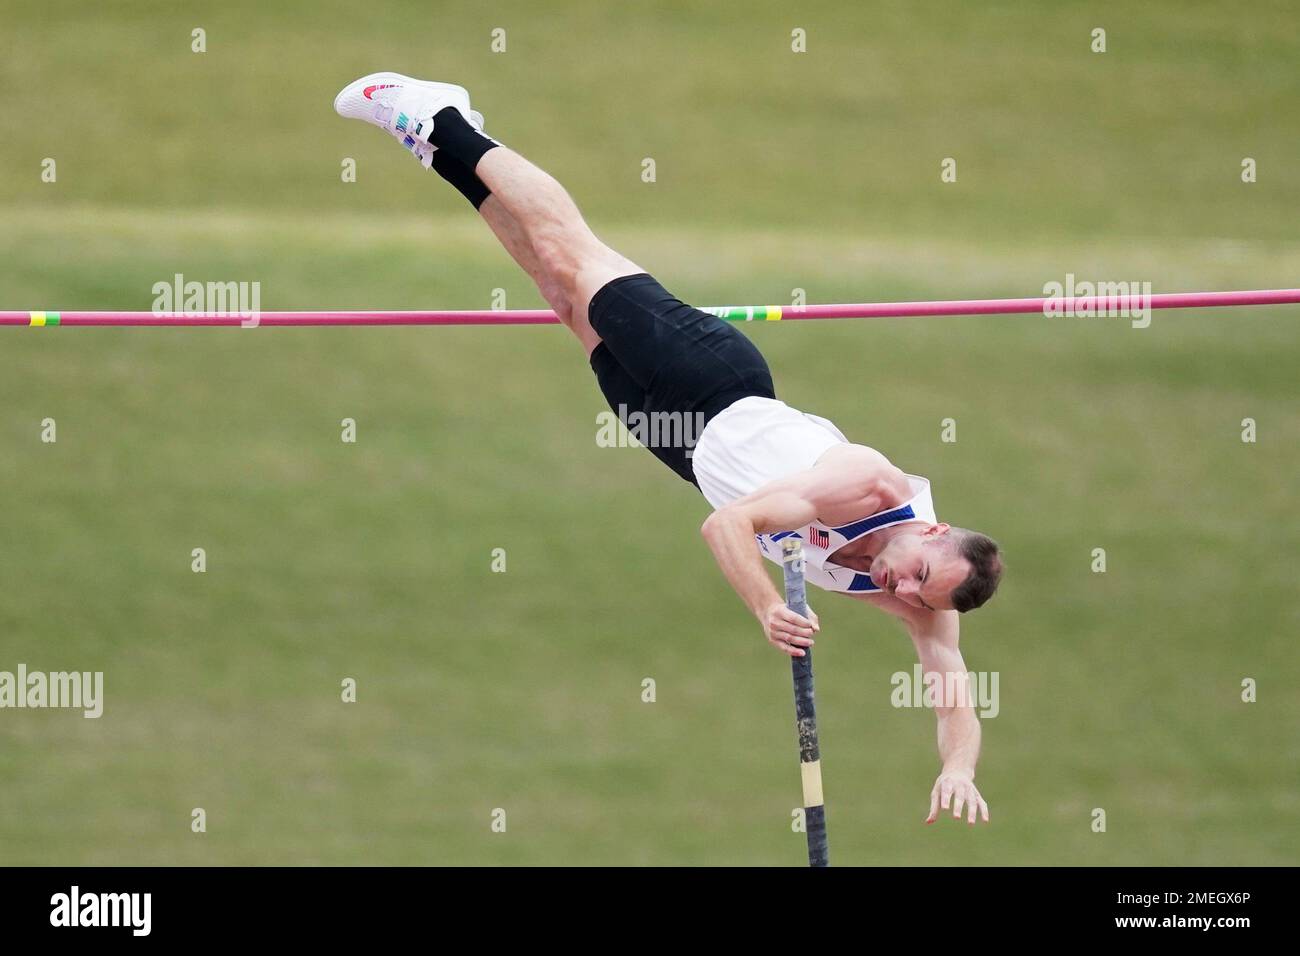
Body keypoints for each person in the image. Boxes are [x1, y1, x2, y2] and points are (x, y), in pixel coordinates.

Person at [335, 73, 1003, 824]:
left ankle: (438, 148)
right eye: (916, 575)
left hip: (682, 444)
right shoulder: (866, 486)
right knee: (570, 250)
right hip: (710, 379)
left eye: (919, 595)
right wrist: (765, 610)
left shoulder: (920, 598)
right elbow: (726, 526)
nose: (903, 592)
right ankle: (442, 115)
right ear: (934, 531)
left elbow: (951, 687)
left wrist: (958, 769)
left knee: (552, 287)